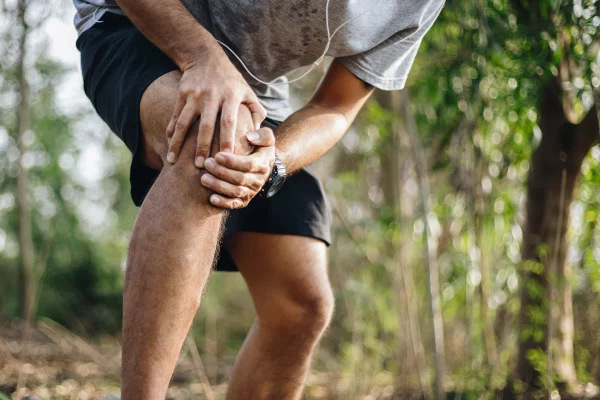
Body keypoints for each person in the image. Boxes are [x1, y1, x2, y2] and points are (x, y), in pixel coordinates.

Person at [73, 0, 444, 398]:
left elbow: (335, 105)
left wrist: (275, 162)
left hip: (257, 95)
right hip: (134, 27)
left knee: (301, 304)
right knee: (215, 136)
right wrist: (201, 56)